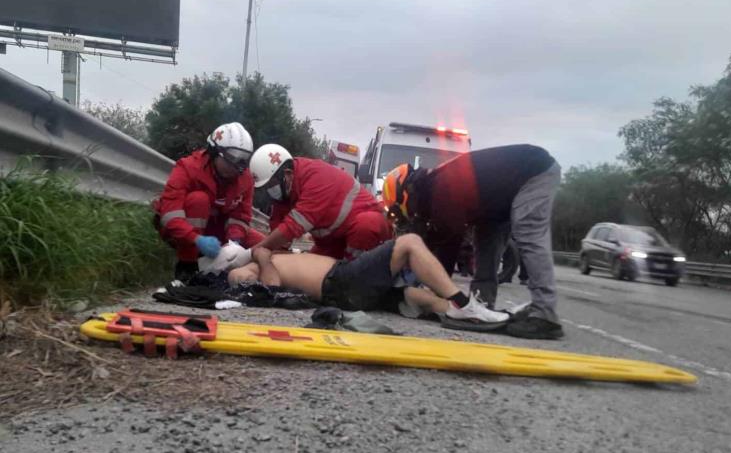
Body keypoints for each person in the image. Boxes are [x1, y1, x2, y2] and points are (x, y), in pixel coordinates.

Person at [382, 145, 564, 340]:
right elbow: (442, 237)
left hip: (534, 171)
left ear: (405, 195)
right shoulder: (435, 185)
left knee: (529, 233)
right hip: (498, 199)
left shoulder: (441, 188)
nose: (408, 218)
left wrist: (440, 292)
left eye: (400, 213)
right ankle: (483, 306)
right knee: (486, 241)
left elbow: (450, 243)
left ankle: (545, 315)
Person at [227, 234, 510, 327]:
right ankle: (463, 303)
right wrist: (262, 258)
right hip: (340, 283)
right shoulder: (246, 269)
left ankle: (458, 312)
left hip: (346, 284)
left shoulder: (272, 258)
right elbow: (271, 290)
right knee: (408, 242)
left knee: (410, 295)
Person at [153, 122, 265, 281]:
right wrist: (196, 240)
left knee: (263, 244)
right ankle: (188, 265)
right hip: (184, 230)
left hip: (217, 229)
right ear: (214, 152)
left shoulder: (244, 177)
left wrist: (235, 241)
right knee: (199, 200)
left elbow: (241, 216)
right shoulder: (188, 167)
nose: (236, 167)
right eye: (231, 158)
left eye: (243, 160)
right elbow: (170, 215)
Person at [248, 144, 392, 260]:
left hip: (365, 233)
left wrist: (253, 252)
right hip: (332, 243)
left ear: (288, 174)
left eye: (272, 184)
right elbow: (278, 228)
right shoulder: (286, 190)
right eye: (266, 188)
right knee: (303, 272)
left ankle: (354, 279)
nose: (270, 190)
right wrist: (275, 252)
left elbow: (292, 226)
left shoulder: (316, 176)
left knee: (367, 224)